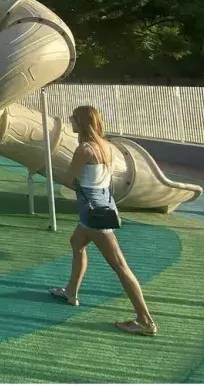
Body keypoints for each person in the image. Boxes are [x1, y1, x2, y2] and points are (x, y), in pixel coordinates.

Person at [48, 105, 158, 336]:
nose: (71, 123)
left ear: (81, 122)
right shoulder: (106, 146)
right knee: (77, 242)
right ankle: (71, 292)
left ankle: (145, 320)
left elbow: (69, 179)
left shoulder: (85, 149)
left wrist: (71, 179)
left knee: (119, 265)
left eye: (73, 119)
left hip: (94, 211)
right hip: (103, 204)